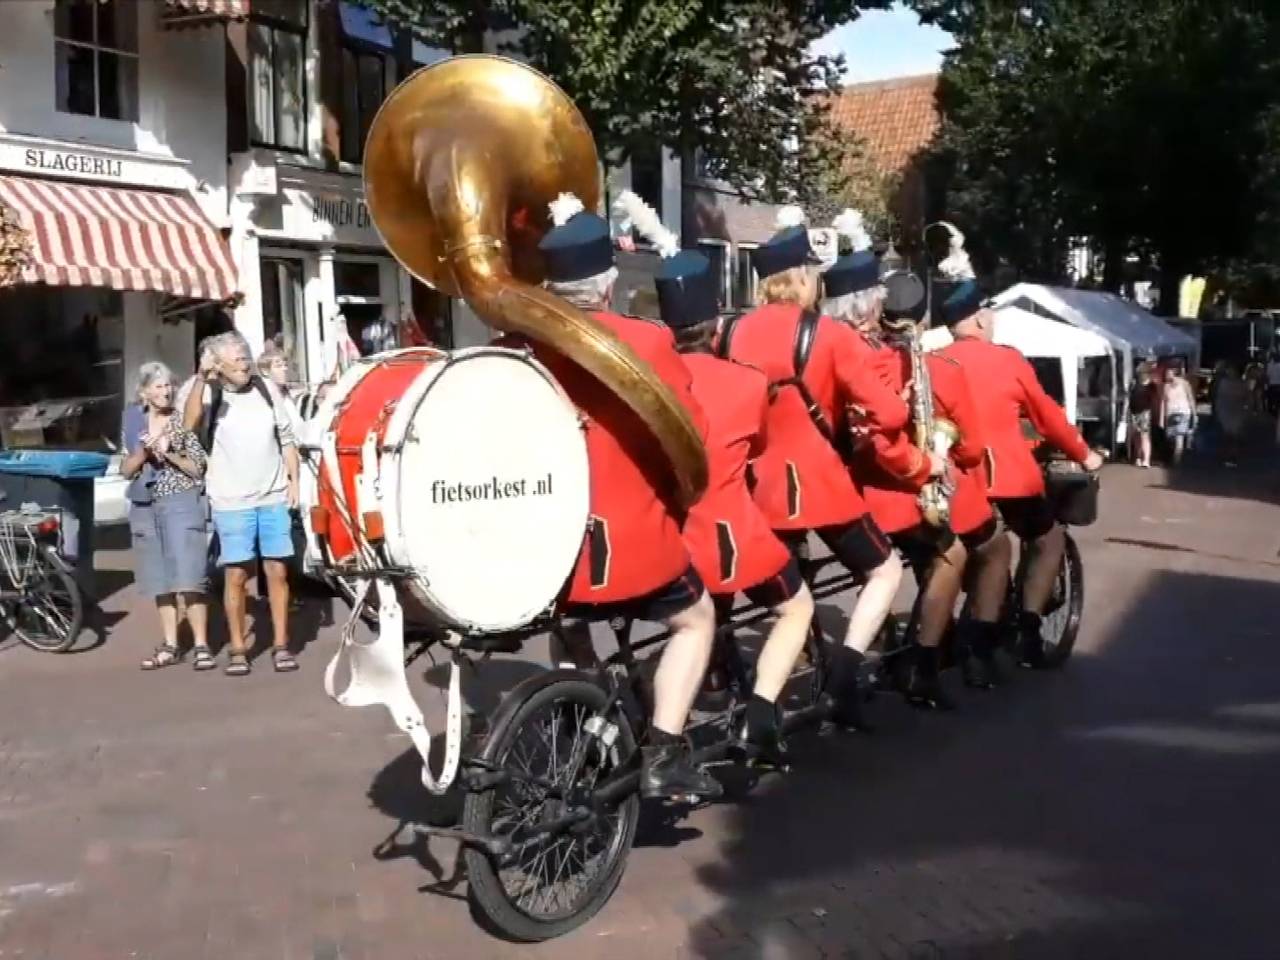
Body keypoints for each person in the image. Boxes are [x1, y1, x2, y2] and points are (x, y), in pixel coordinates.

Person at [512, 193, 720, 801]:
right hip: (631, 545)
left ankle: (581, 720)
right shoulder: (647, 341)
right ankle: (664, 751)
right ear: (606, 285)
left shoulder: (518, 347)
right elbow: (694, 435)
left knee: (570, 620)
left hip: (551, 552)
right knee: (696, 620)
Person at [716, 206, 940, 730]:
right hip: (819, 484)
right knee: (883, 571)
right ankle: (844, 672)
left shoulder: (731, 333)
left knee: (781, 590)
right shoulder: (829, 334)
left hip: (755, 483)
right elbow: (889, 412)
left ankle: (744, 675)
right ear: (806, 278)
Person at [623, 189, 815, 768]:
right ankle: (761, 711)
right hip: (730, 536)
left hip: (662, 537)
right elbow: (755, 446)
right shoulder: (747, 383)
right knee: (797, 607)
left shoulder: (648, 383)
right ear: (713, 323)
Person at [829, 264, 995, 705]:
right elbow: (966, 449)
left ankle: (901, 645)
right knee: (951, 553)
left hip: (854, 488)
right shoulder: (906, 363)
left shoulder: (862, 352)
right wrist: (929, 465)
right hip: (893, 492)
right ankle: (923, 664)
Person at [934, 273, 1103, 669]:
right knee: (1048, 537)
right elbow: (1047, 417)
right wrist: (1085, 453)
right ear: (978, 319)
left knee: (977, 547)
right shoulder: (1007, 359)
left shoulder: (936, 361)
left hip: (958, 482)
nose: (992, 322)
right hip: (1008, 479)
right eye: (989, 314)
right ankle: (1028, 625)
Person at [182, 331, 301, 677]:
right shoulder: (208, 392)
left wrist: (294, 482)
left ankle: (281, 645)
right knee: (236, 574)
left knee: (277, 571)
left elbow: (287, 439)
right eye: (237, 359)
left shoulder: (265, 390)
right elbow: (189, 427)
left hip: (273, 494)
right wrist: (202, 378)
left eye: (246, 357)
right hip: (231, 500)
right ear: (218, 364)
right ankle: (238, 647)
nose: (245, 364)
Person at [121, 361, 214, 672]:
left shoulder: (182, 420)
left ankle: (201, 644)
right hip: (145, 503)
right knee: (159, 579)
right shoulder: (134, 422)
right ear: (144, 392)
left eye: (169, 385)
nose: (166, 391)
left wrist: (169, 453)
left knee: (189, 574)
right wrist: (144, 454)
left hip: (179, 499)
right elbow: (125, 470)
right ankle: (171, 644)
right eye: (159, 386)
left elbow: (197, 467)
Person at [1160, 362, 1197, 466]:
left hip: (1183, 413)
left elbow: (1190, 398)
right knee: (1171, 437)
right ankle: (1175, 456)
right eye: (1166, 374)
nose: (1166, 375)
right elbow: (1164, 402)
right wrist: (1162, 418)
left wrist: (1194, 414)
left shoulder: (1184, 384)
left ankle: (1176, 460)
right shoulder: (1166, 386)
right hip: (1171, 414)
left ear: (1174, 373)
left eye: (1168, 373)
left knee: (1179, 436)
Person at [1213, 362, 1249, 467]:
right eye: (1228, 370)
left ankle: (1232, 457)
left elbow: (1247, 398)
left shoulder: (1242, 383)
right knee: (1227, 435)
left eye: (1231, 370)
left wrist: (1247, 410)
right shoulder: (1223, 382)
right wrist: (1217, 410)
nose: (1229, 372)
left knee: (1234, 436)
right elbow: (1218, 397)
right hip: (1225, 411)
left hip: (1236, 411)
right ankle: (1226, 455)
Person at [1128, 363, 1157, 468]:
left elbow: (1155, 400)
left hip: (1145, 412)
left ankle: (1146, 460)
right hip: (1134, 412)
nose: (1141, 374)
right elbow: (1129, 397)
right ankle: (1138, 457)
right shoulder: (1134, 383)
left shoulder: (1151, 385)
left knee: (1144, 436)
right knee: (1136, 435)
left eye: (1142, 372)